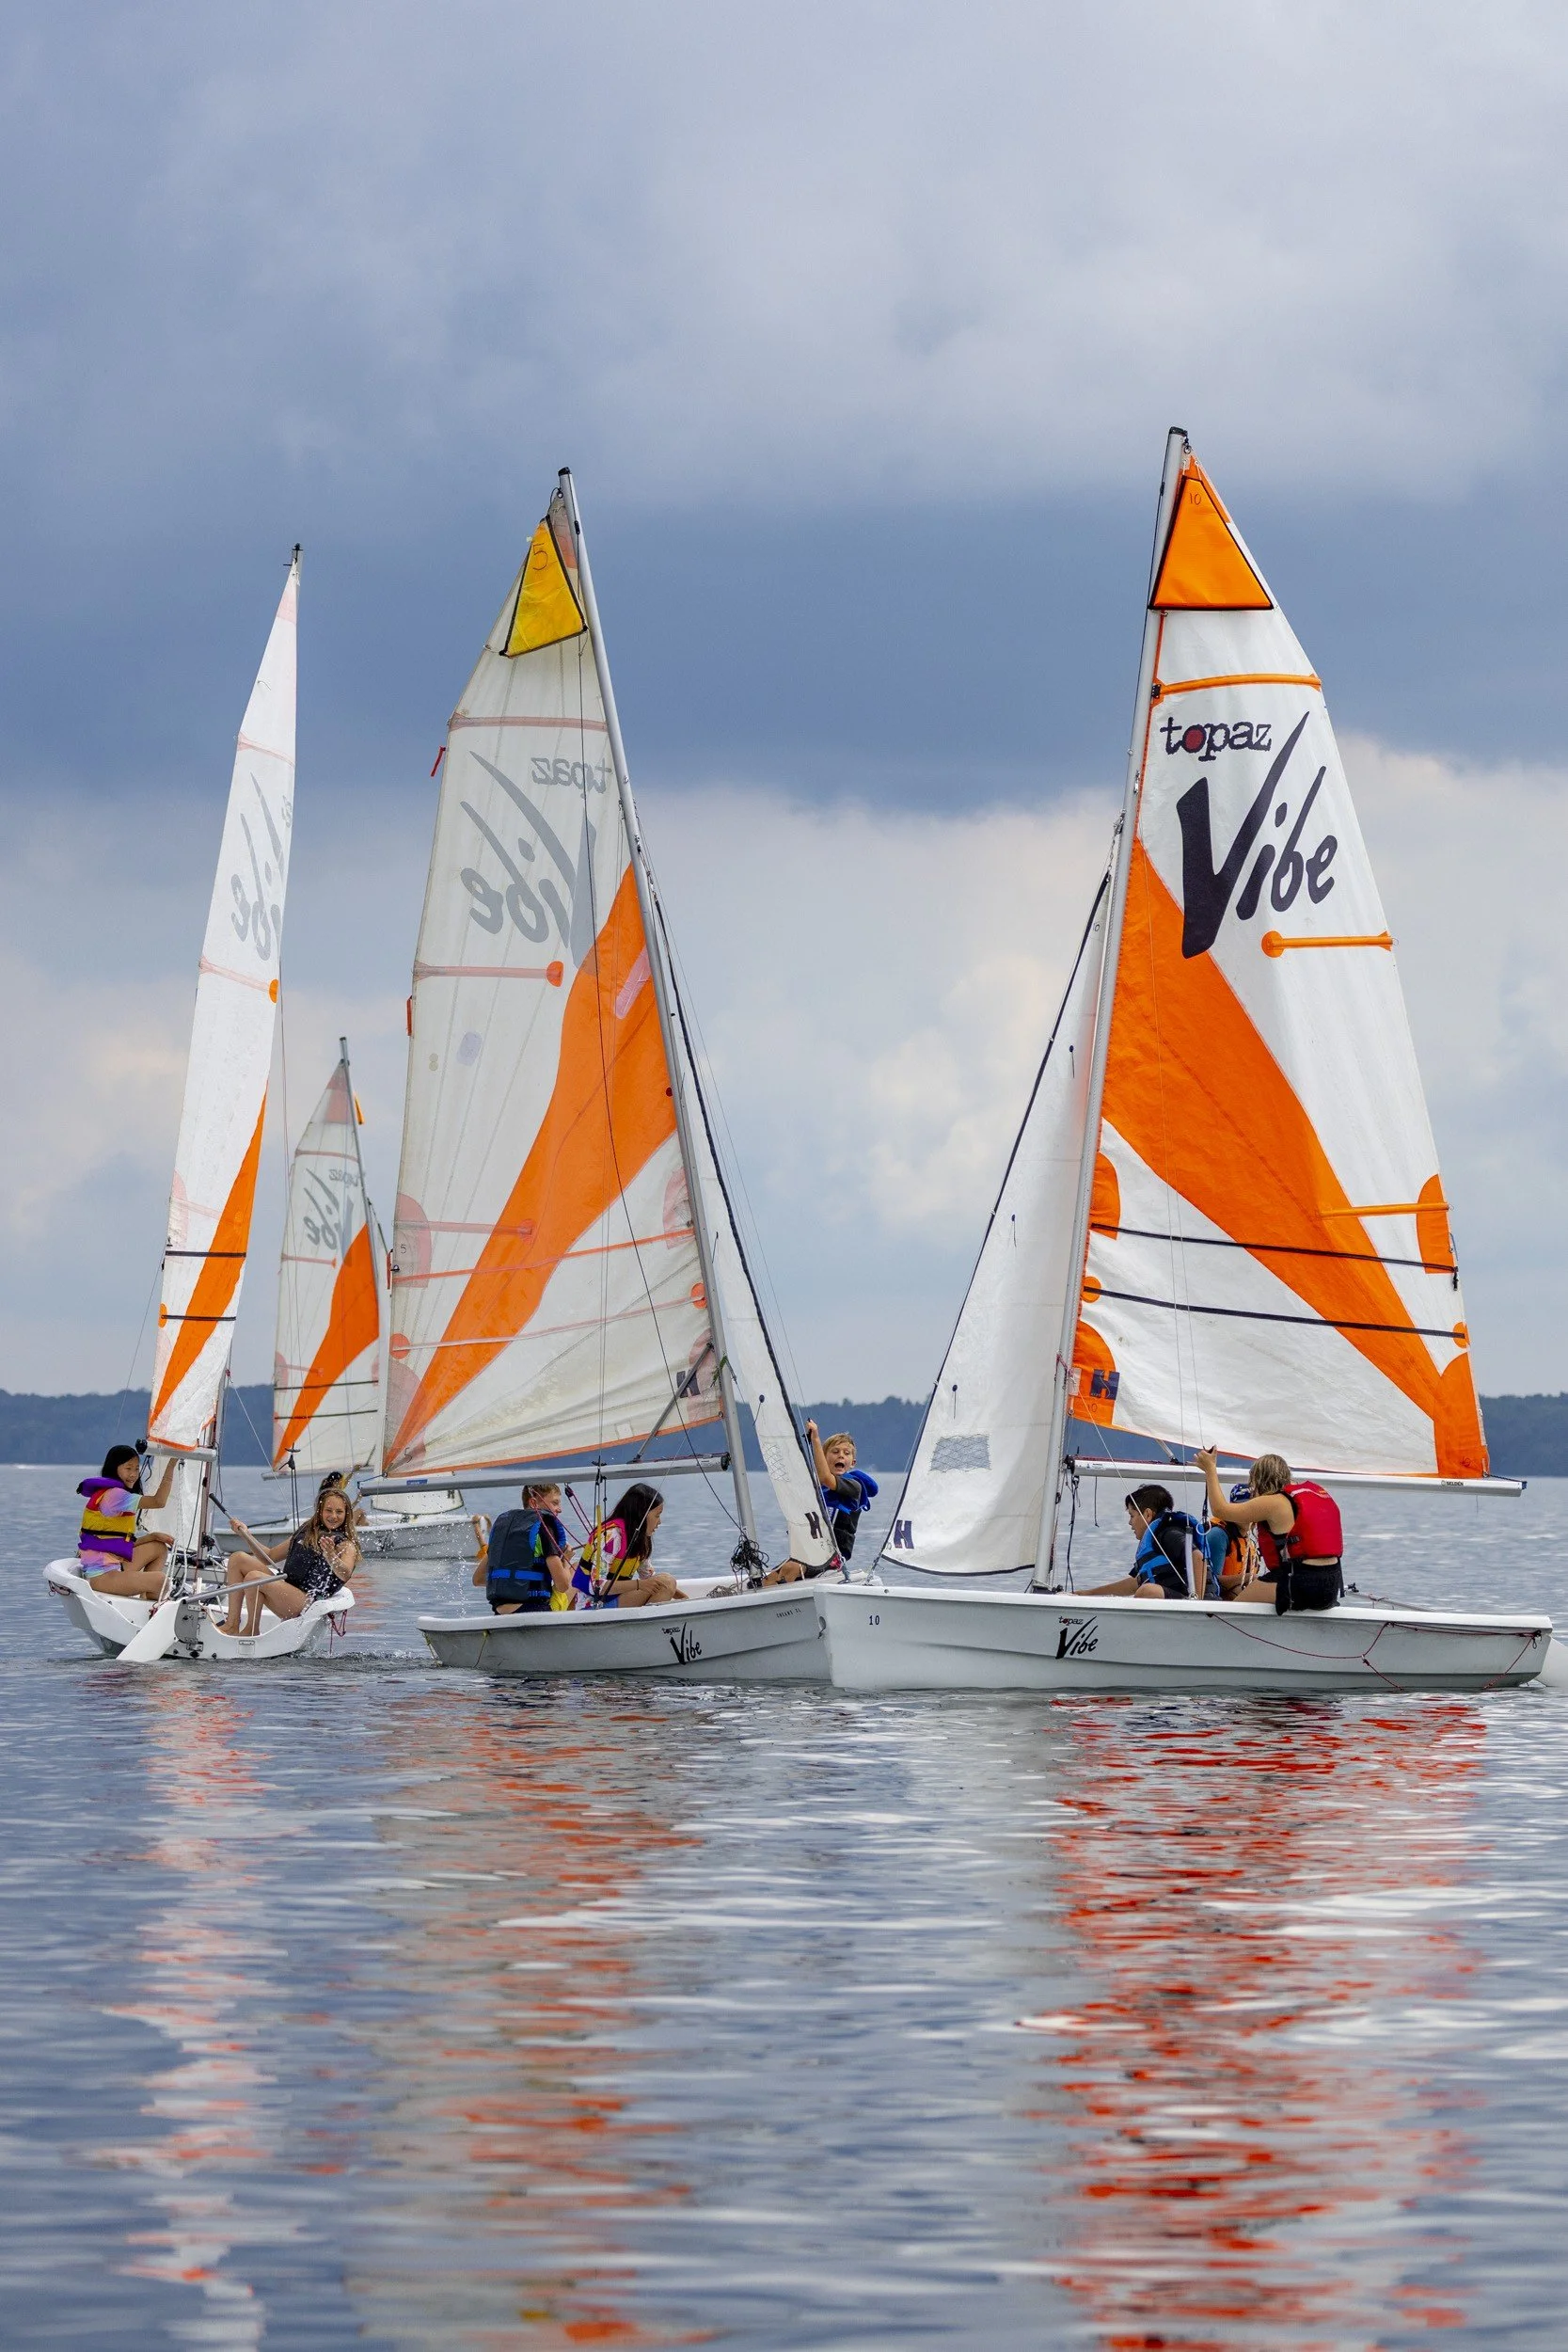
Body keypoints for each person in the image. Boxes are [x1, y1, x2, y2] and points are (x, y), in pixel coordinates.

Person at [1196, 1448, 1344, 1613]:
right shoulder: (1313, 1495)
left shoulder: (1273, 1502)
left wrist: (1210, 1468)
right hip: (1331, 1585)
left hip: (1301, 1583)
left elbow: (1220, 1510)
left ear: (1259, 1479)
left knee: (1231, 1613)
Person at [223, 1484, 360, 1636]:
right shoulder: (307, 1533)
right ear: (320, 1511)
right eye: (328, 1510)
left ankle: (251, 1630)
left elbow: (345, 1573)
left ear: (346, 1514)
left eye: (339, 1512)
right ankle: (232, 1624)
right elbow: (270, 1555)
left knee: (254, 1578)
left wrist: (331, 1556)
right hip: (287, 1590)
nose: (333, 1516)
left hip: (306, 1602)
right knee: (237, 1559)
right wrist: (246, 1535)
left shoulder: (346, 1545)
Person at [76, 1444, 178, 1597]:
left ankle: (147, 1599)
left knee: (158, 1547)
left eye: (136, 1469)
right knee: (161, 1581)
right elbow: (159, 1501)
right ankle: (151, 1602)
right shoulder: (115, 1495)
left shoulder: (112, 1493)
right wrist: (172, 1464)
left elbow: (116, 1541)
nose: (133, 1474)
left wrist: (152, 1536)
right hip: (101, 1576)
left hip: (115, 1565)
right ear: (114, 1468)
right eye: (128, 1468)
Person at [1086, 1484, 1205, 1599]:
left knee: (1147, 1591)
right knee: (1144, 1589)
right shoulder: (1155, 1540)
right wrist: (1088, 1593)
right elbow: (1135, 1583)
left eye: (1132, 1516)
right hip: (1177, 1597)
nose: (1130, 1522)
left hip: (1195, 1602)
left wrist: (1197, 1602)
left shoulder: (1168, 1534)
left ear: (1148, 1514)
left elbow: (1198, 1557)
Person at [471, 1482, 575, 1613]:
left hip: (500, 1613)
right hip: (534, 1611)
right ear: (533, 1503)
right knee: (578, 1569)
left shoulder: (505, 1531)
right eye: (555, 1503)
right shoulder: (544, 1526)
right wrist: (565, 1560)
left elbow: (477, 1579)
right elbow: (562, 1586)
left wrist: (510, 1581)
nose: (559, 1509)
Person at [577, 1484, 686, 1608]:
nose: (659, 1522)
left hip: (614, 1600)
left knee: (666, 1581)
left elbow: (650, 1578)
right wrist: (639, 1584)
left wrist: (684, 1598)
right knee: (666, 1581)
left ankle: (649, 1618)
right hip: (592, 1606)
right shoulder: (611, 1537)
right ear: (641, 1515)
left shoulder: (639, 1540)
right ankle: (649, 1620)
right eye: (657, 1515)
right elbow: (597, 1586)